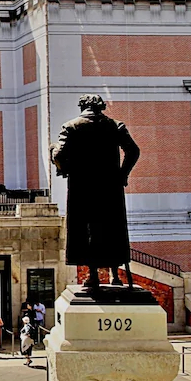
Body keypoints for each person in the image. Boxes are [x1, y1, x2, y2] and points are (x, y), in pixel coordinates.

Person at [50, 94, 140, 289]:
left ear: (82, 106)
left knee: (87, 229)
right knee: (112, 227)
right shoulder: (115, 126)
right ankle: (116, 276)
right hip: (110, 187)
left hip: (83, 187)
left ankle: (93, 276)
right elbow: (133, 150)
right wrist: (122, 174)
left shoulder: (72, 126)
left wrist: (62, 167)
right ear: (101, 107)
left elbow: (58, 154)